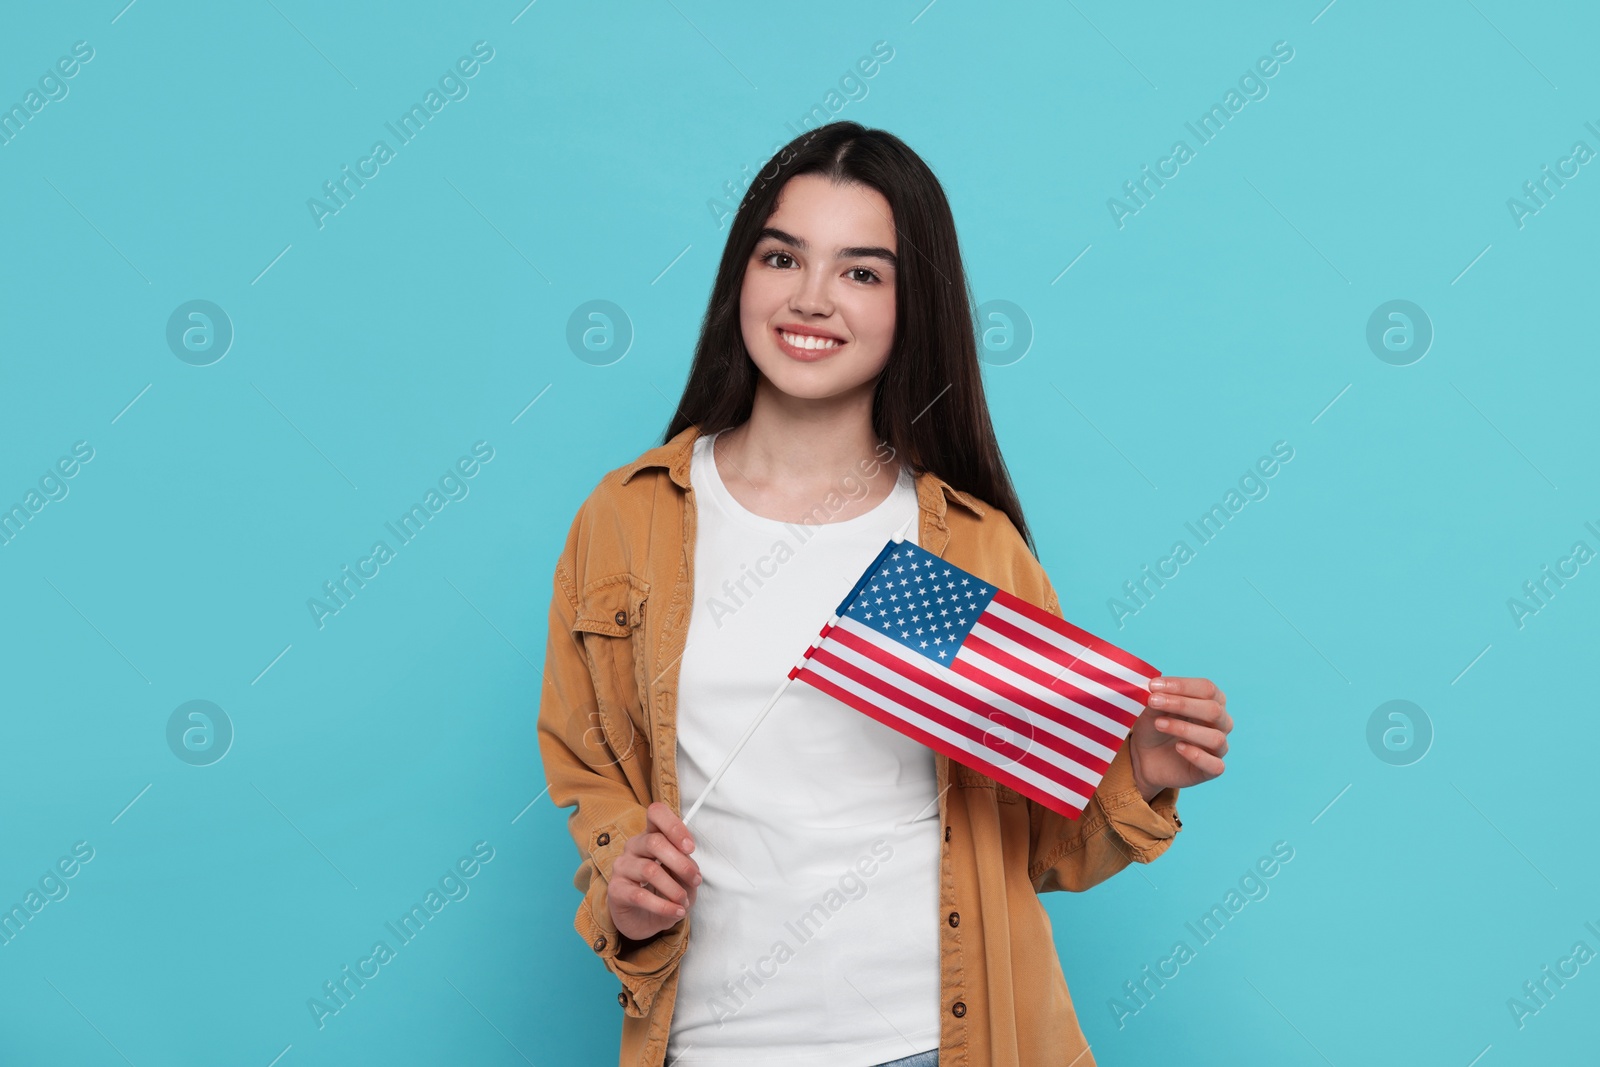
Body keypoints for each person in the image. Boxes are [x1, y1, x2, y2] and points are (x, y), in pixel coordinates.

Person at [536, 121, 1232, 1067]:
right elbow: (591, 776)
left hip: (938, 1043)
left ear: (914, 305)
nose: (812, 298)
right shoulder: (630, 520)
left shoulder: (963, 548)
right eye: (783, 256)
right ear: (742, 274)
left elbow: (1038, 844)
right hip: (714, 1045)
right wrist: (623, 880)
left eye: (862, 272)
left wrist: (1140, 767)